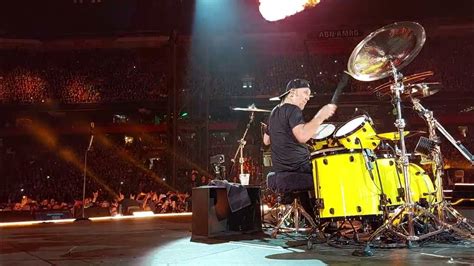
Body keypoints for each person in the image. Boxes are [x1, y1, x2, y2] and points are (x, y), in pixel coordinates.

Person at [263, 79, 337, 174]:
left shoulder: (274, 112)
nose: (308, 98)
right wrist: (321, 116)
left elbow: (266, 140)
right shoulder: (293, 109)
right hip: (299, 170)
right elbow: (302, 136)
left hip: (281, 171)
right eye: (305, 93)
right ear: (292, 93)